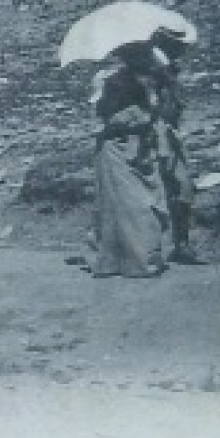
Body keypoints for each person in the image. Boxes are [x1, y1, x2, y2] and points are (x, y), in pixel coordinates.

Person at [89, 41, 171, 278]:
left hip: (141, 146)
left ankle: (141, 260)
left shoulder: (152, 80)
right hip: (116, 146)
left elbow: (157, 112)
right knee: (116, 204)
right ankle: (114, 261)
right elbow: (102, 112)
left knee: (143, 203)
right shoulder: (107, 79)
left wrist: (150, 94)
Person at [151, 27, 202, 264]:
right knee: (159, 190)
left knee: (182, 186)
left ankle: (181, 243)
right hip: (154, 136)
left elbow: (177, 109)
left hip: (170, 136)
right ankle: (156, 246)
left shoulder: (171, 75)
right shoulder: (152, 73)